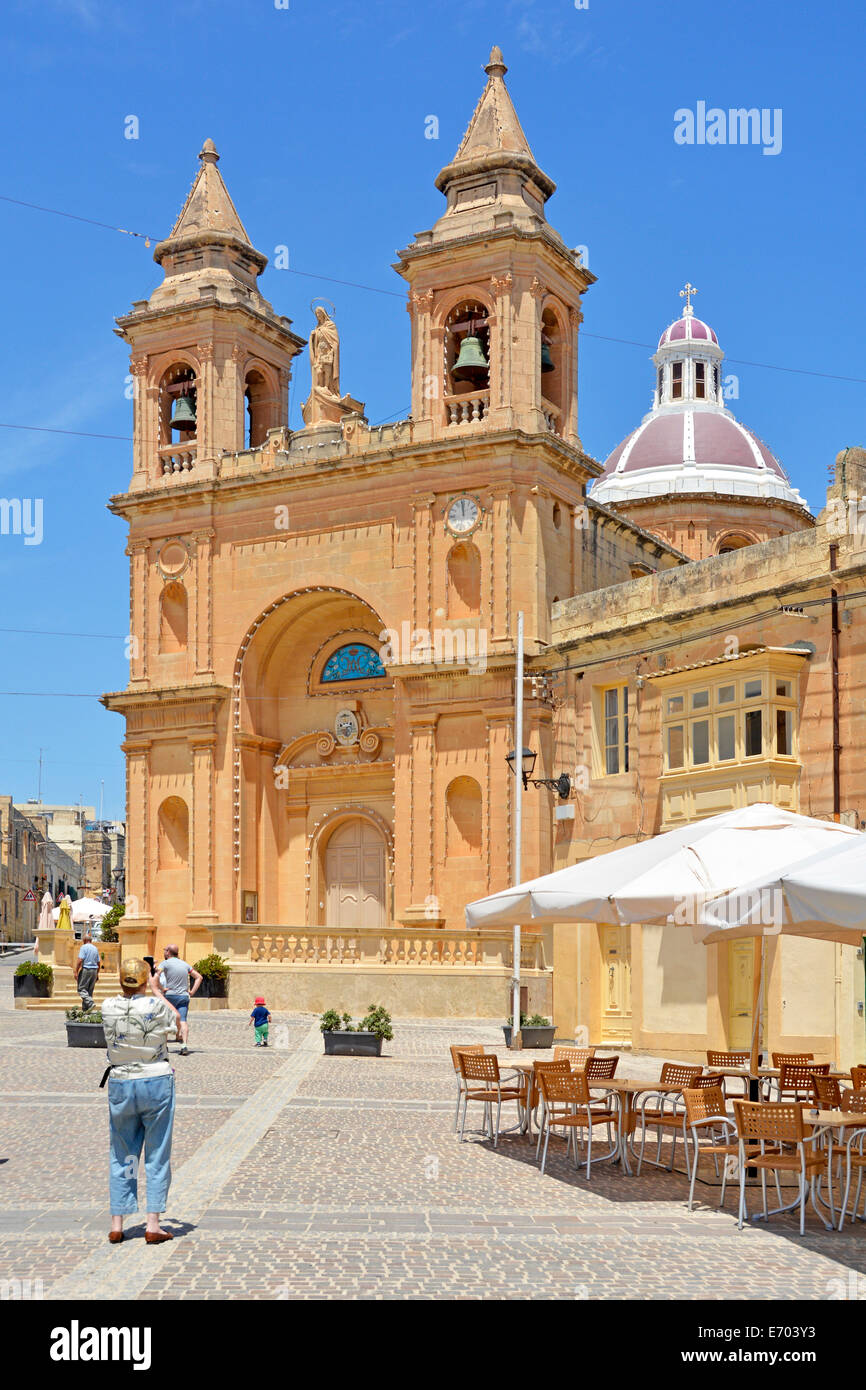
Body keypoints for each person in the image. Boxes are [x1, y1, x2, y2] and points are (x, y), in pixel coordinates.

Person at [101, 959, 181, 1244]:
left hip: (121, 1083)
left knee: (124, 1152)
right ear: (146, 981)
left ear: (121, 980)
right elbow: (177, 1028)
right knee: (157, 1154)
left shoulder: (108, 1006)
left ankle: (118, 1222)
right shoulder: (156, 1006)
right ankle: (152, 1224)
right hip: (156, 1081)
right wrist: (158, 992)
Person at [153, 945, 201, 1056]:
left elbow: (156, 976)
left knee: (165, 1020)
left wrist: (161, 988)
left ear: (169, 952)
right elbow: (199, 977)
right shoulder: (185, 964)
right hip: (183, 996)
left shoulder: (165, 963)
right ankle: (184, 1045)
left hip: (170, 995)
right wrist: (192, 991)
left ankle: (164, 1046)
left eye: (165, 950)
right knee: (183, 1020)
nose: (164, 952)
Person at [74, 933, 100, 1011]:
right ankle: (86, 1009)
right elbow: (99, 962)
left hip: (86, 969)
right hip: (94, 970)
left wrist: (76, 971)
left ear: (84, 940)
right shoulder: (95, 948)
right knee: (89, 991)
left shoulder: (84, 947)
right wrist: (97, 973)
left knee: (81, 989)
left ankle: (90, 1003)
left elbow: (80, 960)